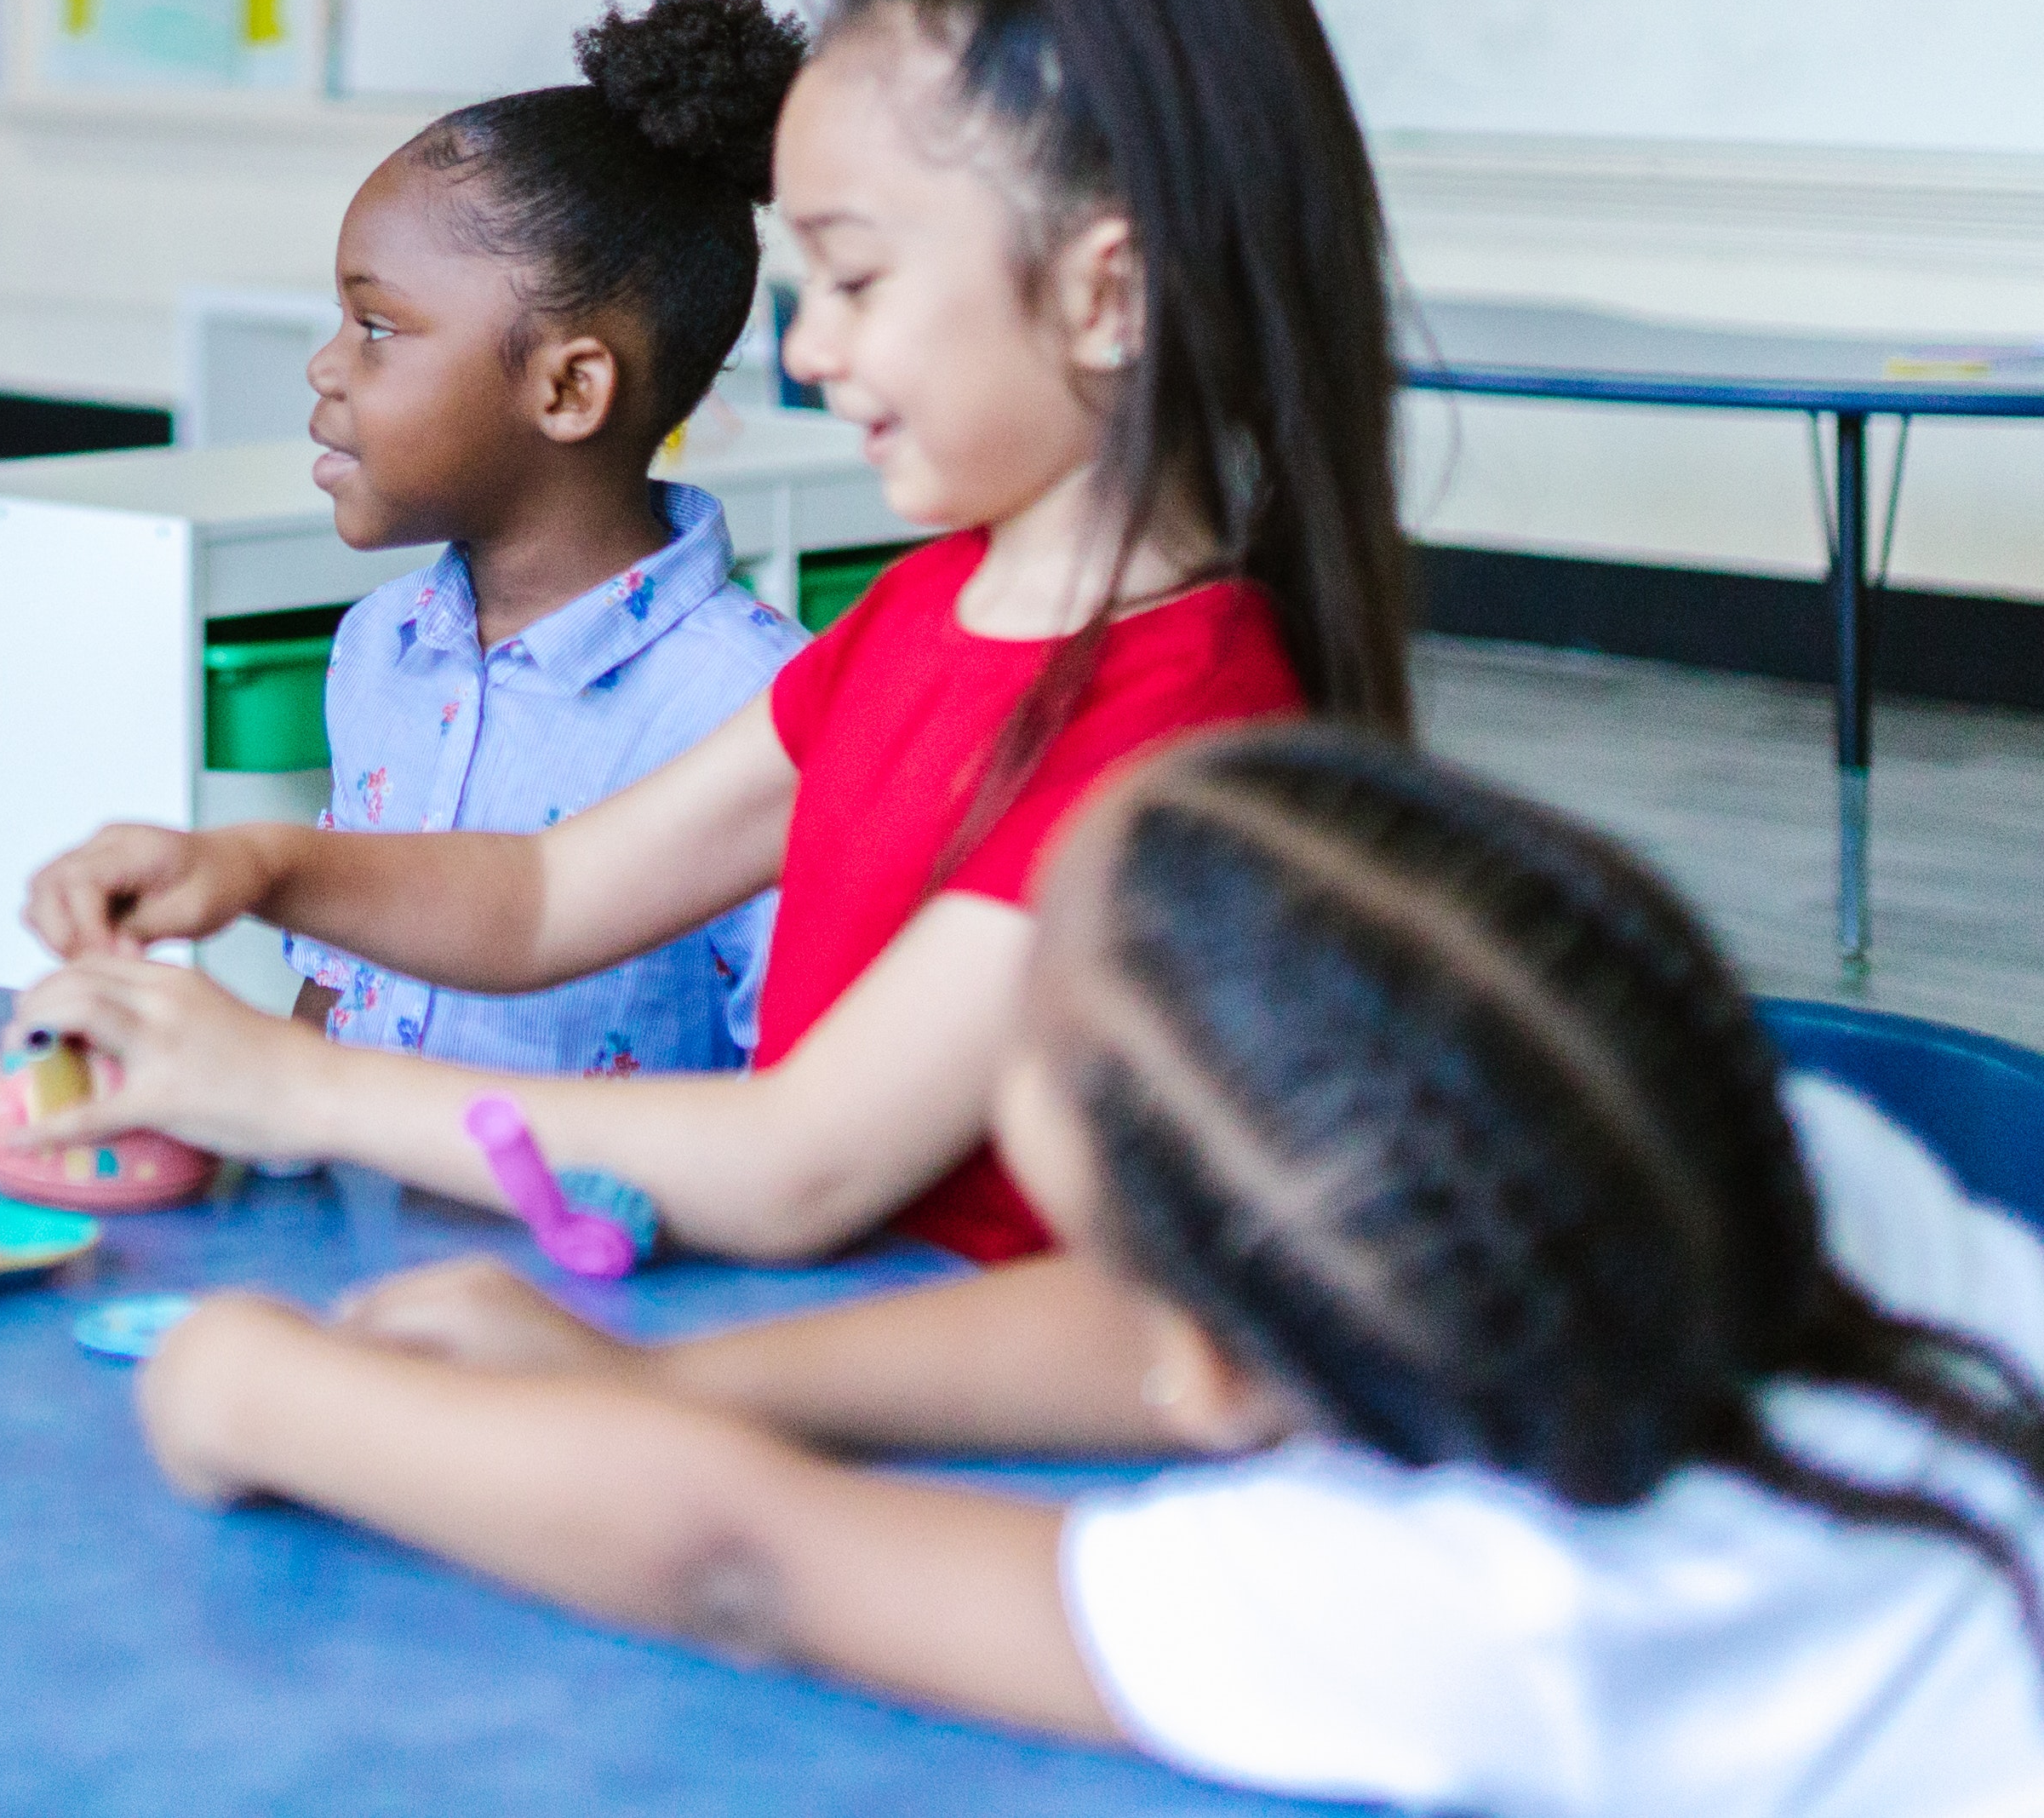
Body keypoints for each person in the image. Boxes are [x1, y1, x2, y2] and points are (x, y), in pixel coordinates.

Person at [132, 728, 2044, 1817]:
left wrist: (250, 1383)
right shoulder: (1761, 1162)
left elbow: (751, 1564)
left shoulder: (1455, 1613)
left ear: (1208, 1378)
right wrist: (661, 1382)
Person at [14, 0, 1406, 1263]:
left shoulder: (1168, 728)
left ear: (1104, 293)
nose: (803, 355)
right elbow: (550, 894)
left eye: (856, 284)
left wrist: (294, 1090)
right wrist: (256, 868)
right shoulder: (923, 617)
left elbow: (793, 1163)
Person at [282, 0, 806, 1077]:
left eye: (377, 326)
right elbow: (334, 989)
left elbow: (799, 1101)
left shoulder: (758, 713)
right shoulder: (381, 647)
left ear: (569, 389)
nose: (326, 367)